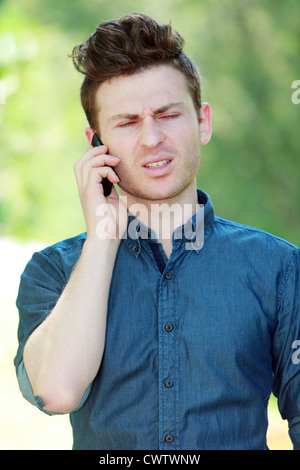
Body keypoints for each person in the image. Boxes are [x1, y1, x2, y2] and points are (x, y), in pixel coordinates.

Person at [14, 13, 300, 450]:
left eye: (167, 114)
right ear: (96, 144)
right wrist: (103, 237)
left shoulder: (279, 267)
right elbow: (56, 392)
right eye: (127, 122)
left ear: (202, 122)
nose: (151, 138)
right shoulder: (53, 271)